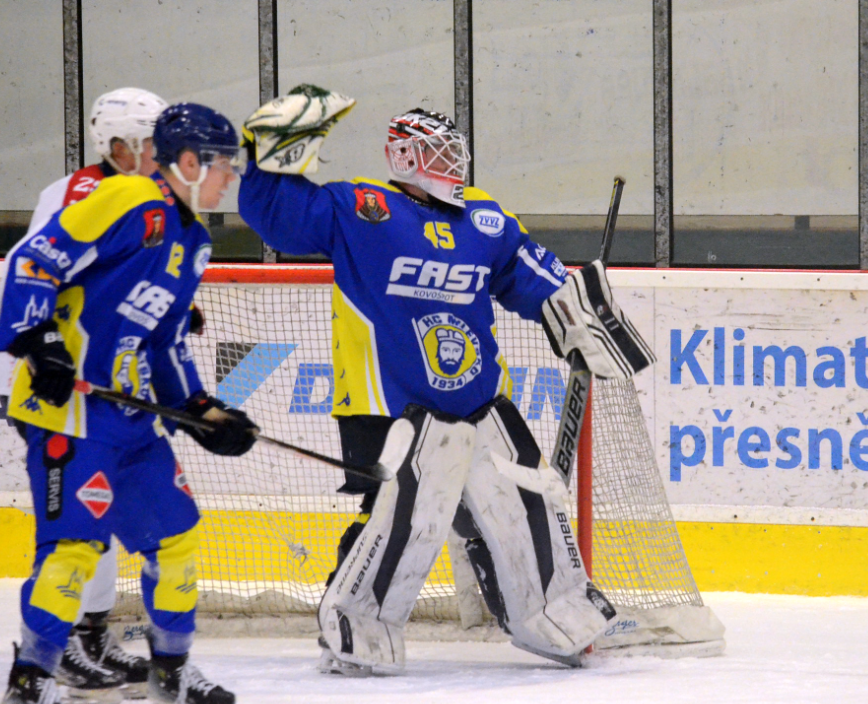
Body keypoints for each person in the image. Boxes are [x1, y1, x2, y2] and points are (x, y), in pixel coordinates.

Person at [238, 85, 648, 675]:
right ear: (404, 157)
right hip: (384, 405)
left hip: (477, 404)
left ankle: (552, 617)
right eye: (438, 153)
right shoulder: (362, 209)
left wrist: (575, 314)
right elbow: (280, 219)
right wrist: (265, 158)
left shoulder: (484, 218)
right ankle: (355, 631)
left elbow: (533, 275)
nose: (453, 164)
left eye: (455, 152)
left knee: (521, 504)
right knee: (395, 518)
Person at [0, 102, 257, 704]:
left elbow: (163, 341)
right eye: (223, 165)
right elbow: (35, 260)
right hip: (69, 413)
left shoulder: (194, 241)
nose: (230, 177)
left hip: (132, 417)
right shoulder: (129, 199)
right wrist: (41, 342)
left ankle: (171, 675)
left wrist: (201, 409)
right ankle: (32, 681)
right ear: (187, 163)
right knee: (72, 553)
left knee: (178, 543)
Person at [0, 86, 181, 702]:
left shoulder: (155, 196)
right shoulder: (75, 192)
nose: (161, 154)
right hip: (63, 391)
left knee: (107, 524)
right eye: (150, 142)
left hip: (114, 394)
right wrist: (43, 343)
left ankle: (91, 636)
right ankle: (52, 652)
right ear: (116, 144)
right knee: (78, 529)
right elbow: (32, 269)